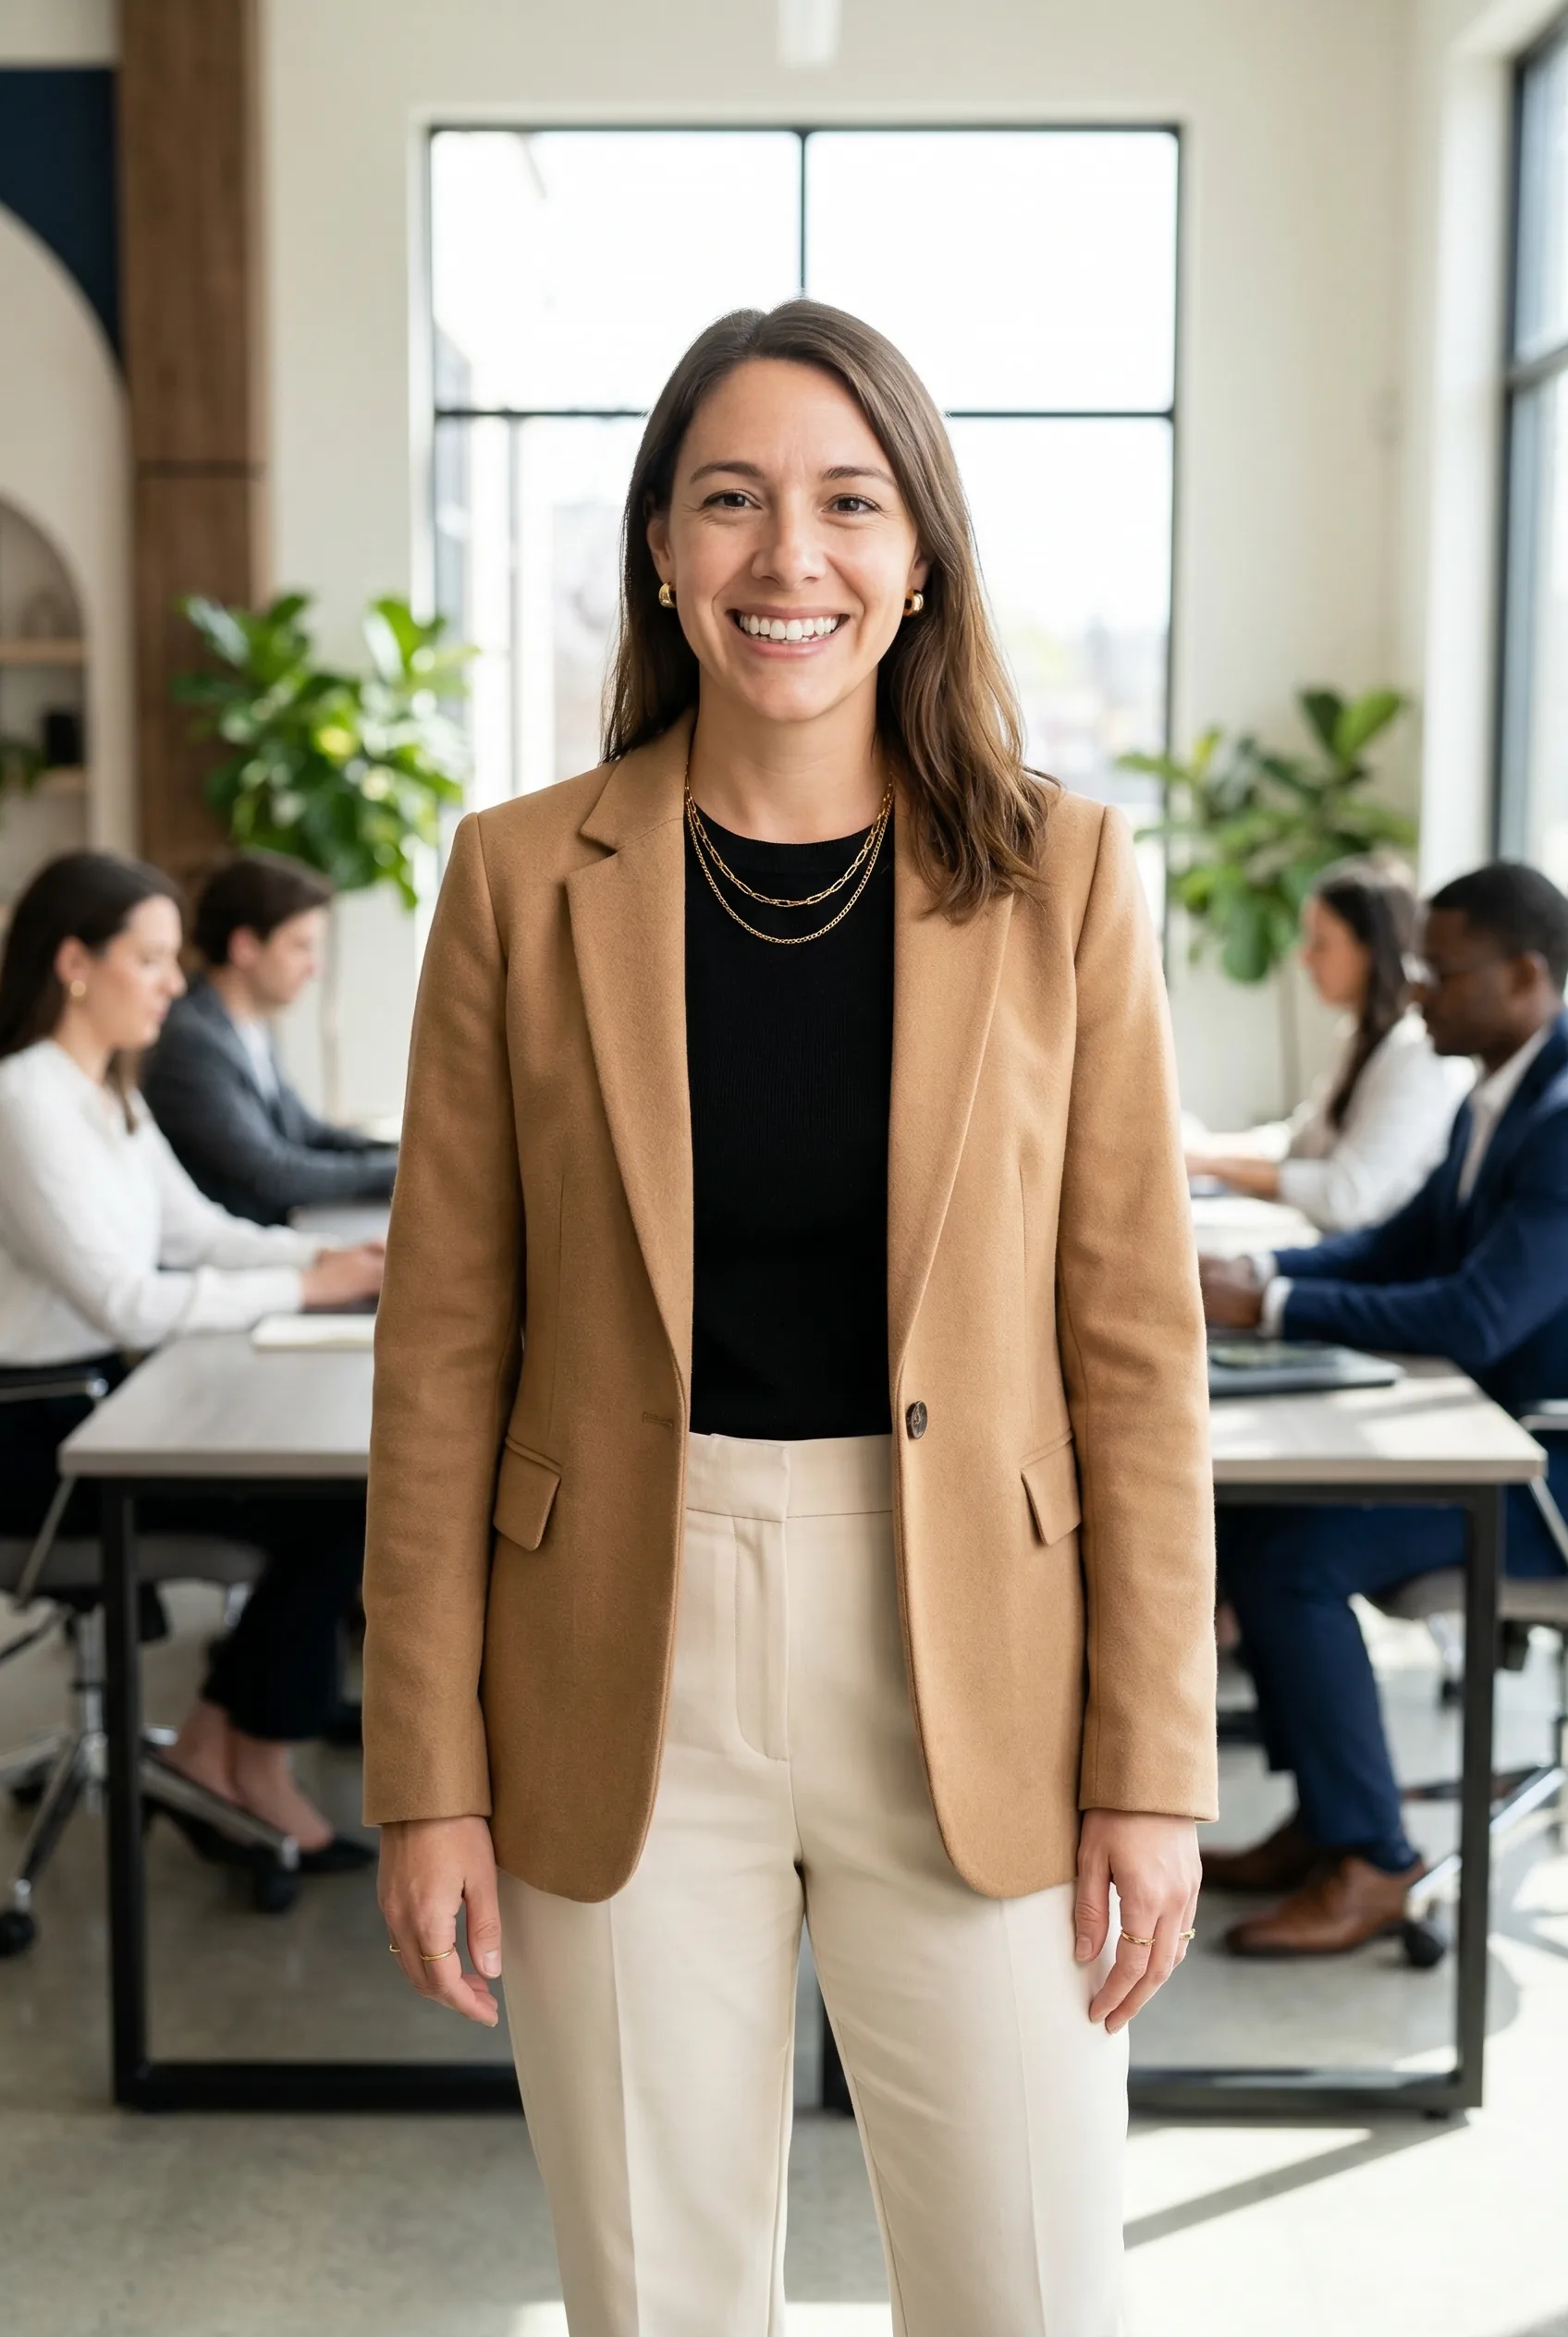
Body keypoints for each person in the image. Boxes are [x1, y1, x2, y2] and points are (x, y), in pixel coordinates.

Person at [364, 300, 1217, 2337]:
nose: (787, 559)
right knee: (654, 2300)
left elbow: (1132, 1349)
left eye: (846, 501)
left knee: (1028, 2293)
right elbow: (443, 1352)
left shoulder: (1060, 878)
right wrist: (425, 1769)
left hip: (981, 1661)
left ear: (918, 550)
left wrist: (1154, 1766)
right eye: (729, 500)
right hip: (613, 1659)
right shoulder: (514, 881)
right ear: (660, 544)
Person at [1199, 862, 1568, 1956]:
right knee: (1255, 1526)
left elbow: (1474, 1314)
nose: (1414, 992)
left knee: (1292, 1555)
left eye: (1438, 971)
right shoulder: (1498, 1096)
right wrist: (1262, 1279)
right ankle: (1327, 1820)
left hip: (1540, 1468)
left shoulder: (1558, 1117)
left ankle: (1372, 1858)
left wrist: (1274, 1298)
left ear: (1524, 975)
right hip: (1483, 1433)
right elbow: (1402, 1244)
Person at [0, 850, 386, 1867]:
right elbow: (126, 1297)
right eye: (153, 958)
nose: (178, 981)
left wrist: (333, 1256)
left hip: (101, 1400)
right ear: (75, 962)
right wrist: (308, 1286)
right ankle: (248, 1755)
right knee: (330, 1500)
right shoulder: (23, 1101)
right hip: (41, 1439)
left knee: (335, 1495)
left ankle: (227, 1741)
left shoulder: (108, 1090)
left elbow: (202, 1230)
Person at [1186, 856, 1471, 1230]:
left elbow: (1348, 1197)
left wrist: (1210, 1164)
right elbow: (1301, 1140)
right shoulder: (1362, 1037)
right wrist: (1201, 1149)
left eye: (1320, 943)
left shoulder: (1416, 1055)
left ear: (1369, 951)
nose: (1304, 957)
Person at [141, 850, 398, 1226]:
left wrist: (402, 1153)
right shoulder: (190, 1043)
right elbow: (273, 1173)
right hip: (236, 1258)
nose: (315, 967)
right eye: (300, 946)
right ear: (245, 946)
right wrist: (400, 1172)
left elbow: (306, 1132)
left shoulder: (249, 1026)